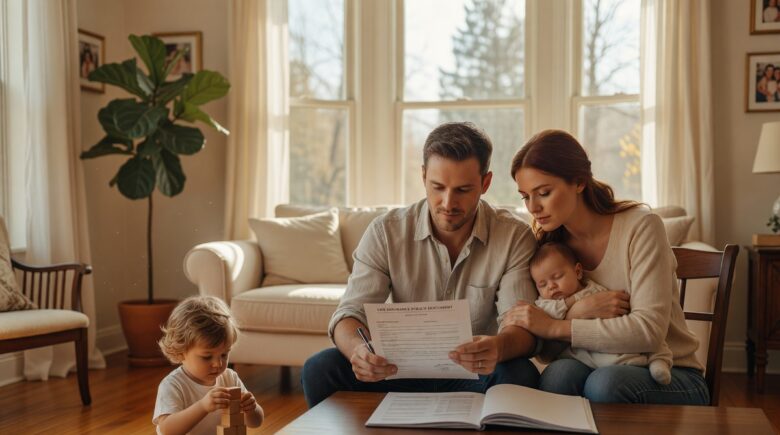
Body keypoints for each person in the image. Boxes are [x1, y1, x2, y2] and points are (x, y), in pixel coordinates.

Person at [301, 122, 540, 408]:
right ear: (424, 175)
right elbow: (348, 313)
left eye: (463, 190)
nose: (448, 203)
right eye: (437, 187)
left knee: (520, 374)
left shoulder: (514, 236)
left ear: (485, 183)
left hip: (476, 373)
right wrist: (358, 352)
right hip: (395, 370)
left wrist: (499, 347)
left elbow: (523, 331)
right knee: (320, 368)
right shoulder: (386, 232)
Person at [501, 129, 709, 405]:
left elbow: (648, 332)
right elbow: (547, 353)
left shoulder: (641, 227)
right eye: (525, 197)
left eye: (544, 193)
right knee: (556, 376)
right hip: (594, 366)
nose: (533, 208)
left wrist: (556, 326)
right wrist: (577, 309)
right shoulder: (550, 249)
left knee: (606, 384)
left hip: (670, 373)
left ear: (578, 182)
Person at [530, 241, 672, 385]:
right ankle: (639, 362)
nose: (551, 286)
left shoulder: (592, 288)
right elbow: (552, 315)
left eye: (557, 277)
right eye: (543, 284)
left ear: (578, 272)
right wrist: (576, 302)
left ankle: (659, 360)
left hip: (610, 337)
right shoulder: (546, 303)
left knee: (644, 338)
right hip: (582, 354)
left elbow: (615, 310)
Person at [153, 296, 264, 435]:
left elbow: (256, 422)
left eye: (224, 355)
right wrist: (203, 406)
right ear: (181, 352)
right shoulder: (173, 385)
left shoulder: (229, 377)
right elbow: (167, 430)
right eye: (207, 357)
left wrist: (251, 409)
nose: (218, 364)